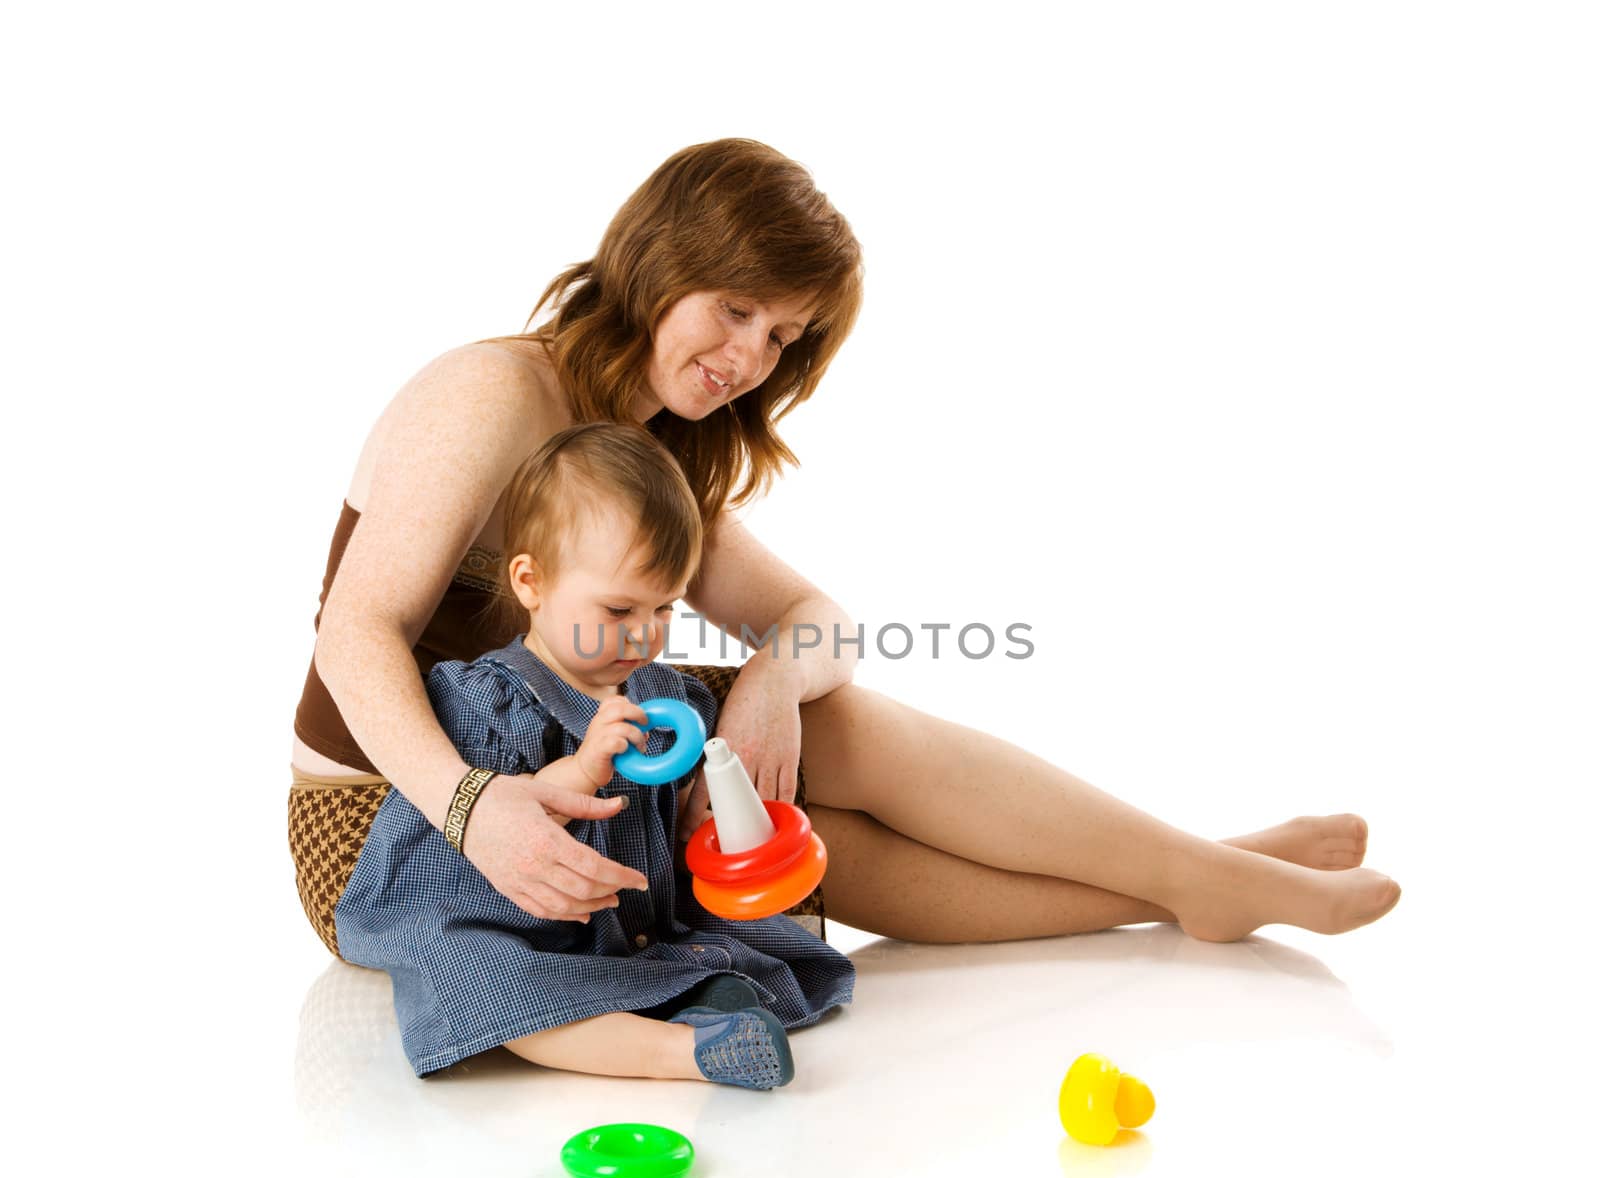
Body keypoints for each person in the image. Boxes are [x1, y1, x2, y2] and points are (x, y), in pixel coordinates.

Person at [289, 137, 1399, 1004]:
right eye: (734, 309)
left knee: (817, 780)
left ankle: (1197, 877)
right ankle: (1203, 874)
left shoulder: (649, 454)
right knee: (814, 783)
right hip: (386, 822)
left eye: (782, 337)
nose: (748, 360)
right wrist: (476, 808)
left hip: (568, 781)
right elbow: (353, 632)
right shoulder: (492, 393)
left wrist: (773, 676)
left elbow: (819, 619)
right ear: (657, 261)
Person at [335, 422, 853, 1085]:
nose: (645, 633)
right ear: (531, 581)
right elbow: (515, 817)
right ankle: (685, 1056)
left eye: (665, 606)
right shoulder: (490, 699)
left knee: (710, 948)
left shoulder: (667, 698)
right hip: (503, 923)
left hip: (625, 929)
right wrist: (585, 767)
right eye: (618, 608)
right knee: (489, 981)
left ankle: (711, 1011)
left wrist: (708, 812)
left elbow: (680, 817)